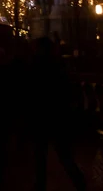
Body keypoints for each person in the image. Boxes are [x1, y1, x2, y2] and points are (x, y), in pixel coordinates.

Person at [30, 37, 86, 191]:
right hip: (57, 117)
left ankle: (40, 185)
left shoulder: (35, 65)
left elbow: (30, 92)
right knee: (65, 156)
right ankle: (80, 183)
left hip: (41, 117)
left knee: (41, 156)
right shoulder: (59, 66)